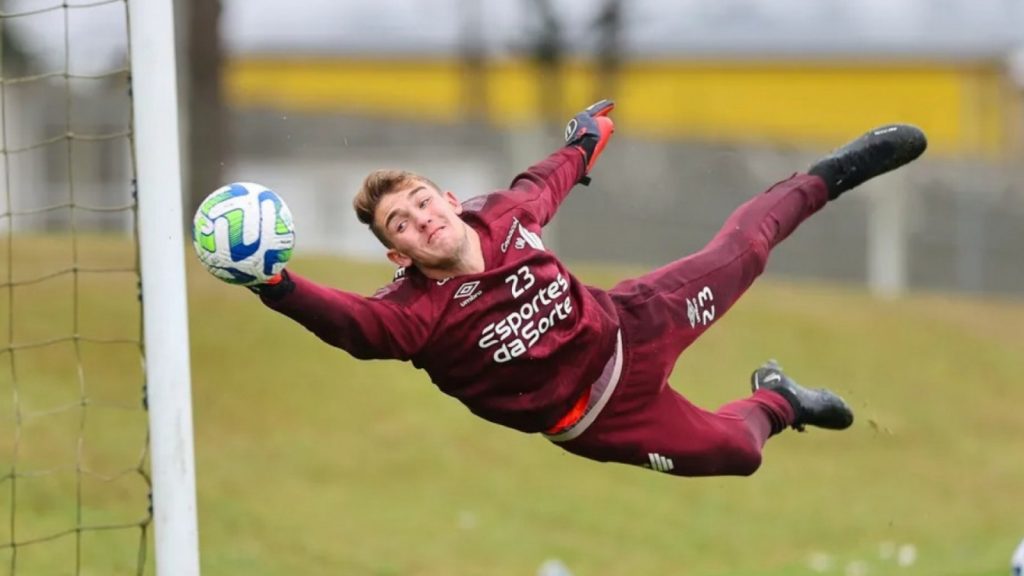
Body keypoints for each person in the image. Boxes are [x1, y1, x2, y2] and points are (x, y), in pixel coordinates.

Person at [252, 100, 927, 477]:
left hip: (634, 326)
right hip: (600, 420)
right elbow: (351, 326)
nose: (423, 218)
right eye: (402, 222)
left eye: (424, 201)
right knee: (740, 452)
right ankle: (778, 399)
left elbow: (541, 184)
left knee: (744, 250)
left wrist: (582, 142)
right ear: (397, 251)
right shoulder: (409, 314)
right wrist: (276, 284)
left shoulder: (499, 216)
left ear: (450, 200)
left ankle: (834, 173)